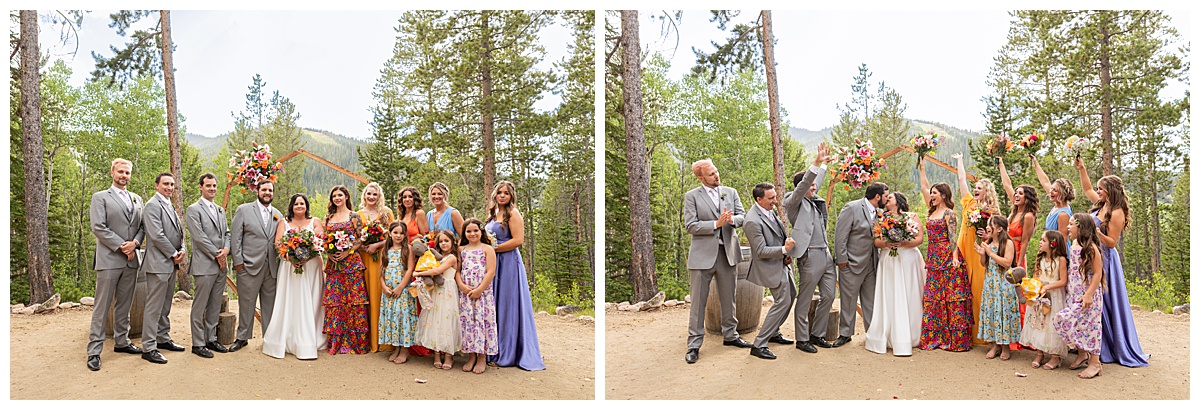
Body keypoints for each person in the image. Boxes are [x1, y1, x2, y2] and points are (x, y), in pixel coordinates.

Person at [1076, 159, 1149, 367]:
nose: (1097, 191)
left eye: (1101, 189)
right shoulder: (1101, 204)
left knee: (1106, 302)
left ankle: (1110, 347)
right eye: (1098, 188)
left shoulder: (1116, 212)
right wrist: (1082, 169)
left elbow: (1112, 242)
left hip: (1106, 260)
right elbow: (1086, 188)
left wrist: (1095, 232)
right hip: (1092, 257)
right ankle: (1093, 343)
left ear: (1110, 190)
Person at [682, 159, 748, 364]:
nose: (716, 176)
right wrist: (715, 224)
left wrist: (731, 221)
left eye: (716, 171)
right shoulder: (691, 196)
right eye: (711, 174)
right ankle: (694, 344)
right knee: (698, 302)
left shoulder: (730, 192)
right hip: (702, 257)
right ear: (700, 177)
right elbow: (690, 225)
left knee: (729, 299)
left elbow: (743, 216)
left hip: (727, 253)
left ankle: (731, 336)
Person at [86, 158, 147, 371]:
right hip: (110, 259)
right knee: (102, 306)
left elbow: (142, 226)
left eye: (127, 173)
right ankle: (94, 351)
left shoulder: (138, 199)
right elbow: (98, 227)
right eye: (120, 171)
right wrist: (123, 246)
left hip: (131, 261)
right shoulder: (100, 197)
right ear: (112, 172)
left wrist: (136, 243)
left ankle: (122, 341)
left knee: (125, 303)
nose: (124, 176)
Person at [779, 141, 835, 353]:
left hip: (826, 254)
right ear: (801, 186)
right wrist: (815, 162)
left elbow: (815, 180)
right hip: (809, 255)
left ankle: (817, 334)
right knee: (804, 299)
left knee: (829, 295)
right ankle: (802, 339)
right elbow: (806, 184)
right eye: (811, 185)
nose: (814, 187)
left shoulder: (813, 196)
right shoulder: (792, 201)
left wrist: (824, 165)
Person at [486, 181, 546, 370]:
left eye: (506, 193)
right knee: (495, 304)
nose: (502, 196)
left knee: (508, 305)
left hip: (509, 263)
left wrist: (494, 248)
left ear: (511, 196)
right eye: (500, 192)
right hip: (495, 263)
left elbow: (518, 240)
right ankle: (492, 349)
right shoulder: (493, 214)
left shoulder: (513, 213)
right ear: (495, 195)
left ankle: (509, 352)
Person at [262, 194, 328, 360]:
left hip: (312, 266)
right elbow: (278, 244)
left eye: (302, 203)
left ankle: (312, 336)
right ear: (291, 206)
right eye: (296, 203)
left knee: (312, 300)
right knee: (291, 300)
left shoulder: (315, 222)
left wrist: (308, 255)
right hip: (290, 267)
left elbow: (321, 241)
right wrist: (291, 258)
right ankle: (290, 337)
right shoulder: (284, 222)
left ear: (306, 206)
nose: (299, 206)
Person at [917, 161, 971, 352]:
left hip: (948, 257)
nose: (931, 195)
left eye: (934, 193)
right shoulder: (931, 210)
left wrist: (955, 257)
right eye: (931, 193)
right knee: (933, 297)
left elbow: (952, 237)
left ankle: (954, 340)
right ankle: (935, 337)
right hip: (933, 258)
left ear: (943, 196)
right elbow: (923, 186)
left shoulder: (949, 213)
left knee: (950, 298)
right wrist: (922, 165)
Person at [864, 192, 926, 357]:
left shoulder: (912, 216)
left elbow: (920, 238)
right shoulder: (881, 219)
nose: (886, 200)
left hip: (908, 259)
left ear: (898, 201)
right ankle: (890, 335)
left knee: (911, 293)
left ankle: (913, 334)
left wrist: (904, 243)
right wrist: (887, 243)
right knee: (890, 294)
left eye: (889, 198)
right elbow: (876, 241)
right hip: (889, 260)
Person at [951, 153, 1002, 346]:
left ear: (987, 191)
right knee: (962, 292)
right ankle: (964, 335)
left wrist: (987, 236)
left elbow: (998, 235)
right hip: (963, 250)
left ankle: (981, 336)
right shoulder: (970, 203)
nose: (975, 189)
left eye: (979, 188)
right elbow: (962, 179)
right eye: (976, 187)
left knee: (979, 294)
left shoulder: (992, 212)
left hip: (979, 253)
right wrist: (960, 161)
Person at [139, 172, 189, 364]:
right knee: (154, 306)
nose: (169, 187)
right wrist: (173, 253)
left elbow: (180, 232)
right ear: (156, 185)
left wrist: (182, 249)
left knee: (165, 304)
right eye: (166, 184)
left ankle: (162, 337)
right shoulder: (152, 205)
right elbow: (157, 235)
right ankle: (149, 347)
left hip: (171, 263)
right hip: (159, 263)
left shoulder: (170, 205)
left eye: (172, 184)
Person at [744, 182, 797, 360]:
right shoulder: (752, 221)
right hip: (769, 267)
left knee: (791, 294)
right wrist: (784, 249)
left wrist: (784, 256)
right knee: (782, 301)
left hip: (781, 263)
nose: (775, 201)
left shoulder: (769, 211)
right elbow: (760, 251)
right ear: (759, 199)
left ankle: (773, 332)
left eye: (775, 196)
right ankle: (759, 344)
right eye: (771, 198)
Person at [832, 181, 888, 348]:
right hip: (851, 264)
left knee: (870, 301)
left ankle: (872, 334)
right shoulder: (852, 208)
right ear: (877, 196)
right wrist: (842, 262)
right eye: (885, 196)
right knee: (848, 301)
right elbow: (840, 235)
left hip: (872, 263)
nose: (886, 199)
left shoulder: (880, 213)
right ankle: (845, 334)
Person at [229, 180, 283, 352]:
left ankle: (269, 338)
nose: (267, 193)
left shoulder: (277, 215)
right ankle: (242, 337)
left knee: (270, 305)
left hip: (271, 268)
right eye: (264, 189)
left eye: (270, 190)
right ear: (258, 191)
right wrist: (238, 263)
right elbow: (235, 238)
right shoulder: (244, 210)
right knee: (246, 304)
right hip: (248, 266)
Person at [184, 173, 232, 358]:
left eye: (214, 186)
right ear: (201, 187)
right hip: (205, 264)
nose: (212, 188)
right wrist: (216, 254)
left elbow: (227, 233)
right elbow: (199, 237)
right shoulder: (193, 209)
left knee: (214, 304)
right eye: (208, 185)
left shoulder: (220, 210)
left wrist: (226, 250)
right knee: (200, 305)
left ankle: (211, 339)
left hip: (221, 264)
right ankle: (197, 343)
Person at [1053, 214, 1105, 379]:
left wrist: (1089, 295)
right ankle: (1082, 354)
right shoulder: (1074, 243)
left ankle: (1095, 362)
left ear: (1081, 227)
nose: (1068, 228)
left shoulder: (1091, 248)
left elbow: (1098, 274)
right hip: (1074, 293)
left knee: (1091, 327)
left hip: (1088, 296)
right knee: (1075, 324)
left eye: (1071, 225)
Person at [323, 185, 371, 354]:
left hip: (351, 263)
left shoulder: (354, 216)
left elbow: (362, 238)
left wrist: (348, 251)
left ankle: (356, 343)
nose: (337, 198)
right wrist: (330, 253)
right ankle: (336, 342)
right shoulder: (329, 217)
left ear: (346, 197)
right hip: (334, 265)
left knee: (353, 301)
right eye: (334, 195)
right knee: (336, 302)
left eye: (340, 195)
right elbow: (324, 239)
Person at [1019, 231, 1069, 370]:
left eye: (1043, 240)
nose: (1040, 242)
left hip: (1054, 296)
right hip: (1040, 295)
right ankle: (1039, 352)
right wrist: (1032, 288)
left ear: (1053, 243)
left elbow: (1063, 281)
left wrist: (1047, 287)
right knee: (1038, 322)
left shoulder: (1061, 260)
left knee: (1051, 324)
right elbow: (1037, 277)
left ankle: (1055, 356)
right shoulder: (1040, 259)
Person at [974, 215, 1020, 360]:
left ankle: (1005, 346)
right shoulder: (988, 243)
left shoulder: (1007, 243)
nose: (988, 227)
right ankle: (994, 344)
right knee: (992, 312)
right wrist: (983, 254)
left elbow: (1007, 263)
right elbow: (984, 264)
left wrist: (991, 253)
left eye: (991, 224)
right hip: (990, 283)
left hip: (1003, 284)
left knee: (1003, 312)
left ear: (1000, 228)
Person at [416, 230, 462, 369]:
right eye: (441, 241)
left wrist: (418, 273)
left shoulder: (452, 258)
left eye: (446, 241)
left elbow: (437, 271)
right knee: (435, 319)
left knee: (447, 320)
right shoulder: (435, 256)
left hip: (448, 290)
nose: (443, 244)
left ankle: (449, 355)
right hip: (436, 290)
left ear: (452, 242)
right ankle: (436, 353)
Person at [358, 182, 395, 353]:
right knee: (366, 295)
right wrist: (364, 247)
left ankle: (383, 341)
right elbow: (355, 238)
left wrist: (378, 244)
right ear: (364, 195)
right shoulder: (357, 215)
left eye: (375, 194)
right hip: (364, 258)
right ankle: (368, 340)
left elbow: (395, 235)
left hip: (381, 257)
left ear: (379, 196)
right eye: (369, 194)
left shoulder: (386, 213)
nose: (371, 197)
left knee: (379, 295)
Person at [458, 218, 498, 374]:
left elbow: (491, 271)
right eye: (468, 231)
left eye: (475, 230)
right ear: (464, 233)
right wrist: (461, 285)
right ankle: (471, 355)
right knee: (468, 322)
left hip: (483, 294)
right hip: (466, 293)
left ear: (481, 231)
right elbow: (456, 270)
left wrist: (480, 289)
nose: (472, 233)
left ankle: (482, 357)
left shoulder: (487, 249)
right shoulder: (461, 250)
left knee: (481, 322)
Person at [378, 221, 418, 364]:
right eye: (395, 232)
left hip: (403, 292)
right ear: (390, 233)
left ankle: (405, 350)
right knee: (392, 318)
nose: (398, 235)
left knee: (403, 318)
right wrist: (383, 286)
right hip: (388, 292)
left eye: (401, 233)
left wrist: (401, 287)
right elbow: (382, 268)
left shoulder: (408, 248)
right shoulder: (386, 249)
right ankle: (396, 347)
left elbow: (409, 269)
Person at [997, 158, 1037, 268]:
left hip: (1016, 254)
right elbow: (1007, 185)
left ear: (1027, 198)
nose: (1016, 195)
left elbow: (1025, 242)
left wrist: (1019, 264)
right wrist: (1001, 164)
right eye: (1016, 193)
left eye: (1020, 193)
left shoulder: (1028, 216)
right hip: (1004, 251)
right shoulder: (1015, 211)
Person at [1031, 156, 1075, 239]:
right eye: (1051, 189)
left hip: (1058, 250)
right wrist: (1035, 163)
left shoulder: (1063, 214)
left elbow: (1063, 240)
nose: (1050, 191)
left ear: (1062, 194)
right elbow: (1045, 182)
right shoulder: (1057, 203)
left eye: (1055, 190)